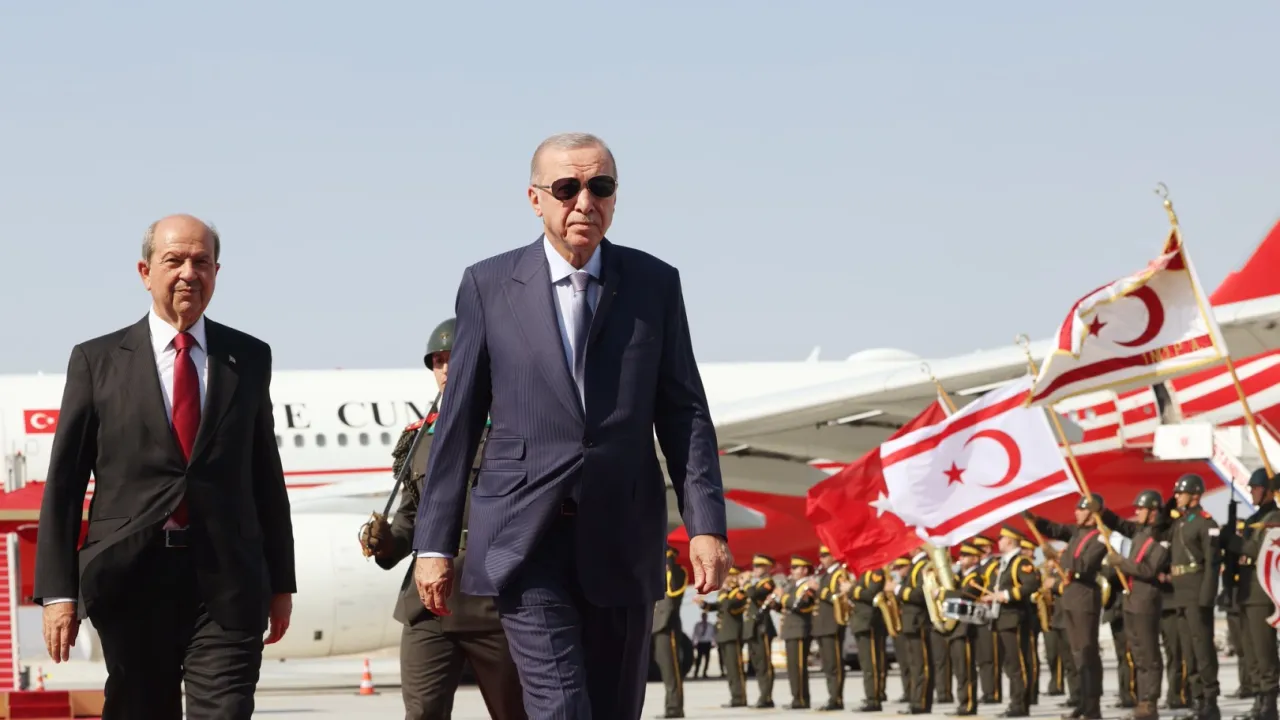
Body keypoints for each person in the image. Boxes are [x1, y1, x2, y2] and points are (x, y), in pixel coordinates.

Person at [409, 132, 732, 719]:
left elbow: (684, 412)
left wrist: (706, 524)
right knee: (558, 706)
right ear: (535, 199)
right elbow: (457, 423)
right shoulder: (488, 285)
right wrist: (433, 544)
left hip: (622, 535)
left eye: (599, 187)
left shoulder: (654, 284)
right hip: (524, 538)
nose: (584, 202)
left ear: (615, 196)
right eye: (566, 188)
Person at [33, 214, 296, 720]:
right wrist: (58, 593)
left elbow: (265, 476)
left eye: (202, 262)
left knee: (225, 711)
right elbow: (65, 486)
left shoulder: (248, 357)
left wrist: (281, 581)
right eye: (174, 260)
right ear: (145, 271)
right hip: (131, 580)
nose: (188, 273)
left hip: (228, 579)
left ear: (216, 272)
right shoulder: (96, 360)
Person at [358, 317, 526, 720]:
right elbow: (412, 517)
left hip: (495, 604)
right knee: (422, 714)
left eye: (456, 358)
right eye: (438, 361)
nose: (447, 368)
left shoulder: (515, 429)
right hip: (428, 605)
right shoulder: (420, 438)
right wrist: (386, 541)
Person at [1026, 495, 1111, 720]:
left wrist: (1056, 557)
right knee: (1077, 655)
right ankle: (1082, 702)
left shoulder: (1100, 537)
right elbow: (1055, 529)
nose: (1076, 513)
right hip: (1070, 598)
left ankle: (1092, 708)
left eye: (1081, 510)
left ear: (1092, 514)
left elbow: (1084, 566)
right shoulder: (1076, 533)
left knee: (1087, 653)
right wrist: (1035, 520)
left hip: (1084, 598)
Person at [1106, 489, 1173, 720]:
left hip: (1146, 601)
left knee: (1148, 654)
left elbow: (1148, 569)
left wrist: (1121, 562)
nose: (1136, 512)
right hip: (1132, 600)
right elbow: (1117, 523)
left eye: (1141, 508)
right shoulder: (1139, 532)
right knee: (1137, 654)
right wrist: (1101, 511)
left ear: (1153, 511)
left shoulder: (1161, 537)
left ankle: (1150, 702)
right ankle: (1142, 701)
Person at [1220, 470, 1280, 720]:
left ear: (1267, 491)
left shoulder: (1274, 518)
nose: (1252, 492)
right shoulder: (1255, 518)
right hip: (1246, 592)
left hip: (1261, 593)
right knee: (1250, 649)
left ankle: (1269, 702)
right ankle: (1258, 698)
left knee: (1264, 649)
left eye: (1255, 488)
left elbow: (1256, 550)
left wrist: (1231, 541)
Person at [1166, 474, 1221, 720]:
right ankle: (1197, 700)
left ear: (1195, 495)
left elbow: (1212, 563)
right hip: (1180, 594)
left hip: (1197, 593)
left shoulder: (1206, 523)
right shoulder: (1179, 523)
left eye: (1181, 493)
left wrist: (1207, 597)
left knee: (1202, 648)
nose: (1176, 496)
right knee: (1189, 650)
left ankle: (1210, 702)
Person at [980, 525, 1042, 718]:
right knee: (1011, 664)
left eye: (1001, 538)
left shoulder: (1020, 562)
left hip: (1015, 618)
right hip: (1003, 618)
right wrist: (991, 597)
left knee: (1018, 663)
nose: (998, 541)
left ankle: (1020, 704)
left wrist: (1006, 595)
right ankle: (1016, 702)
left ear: (1009, 540)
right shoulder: (1004, 563)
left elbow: (1031, 584)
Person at [895, 545, 935, 716]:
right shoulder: (915, 566)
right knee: (914, 664)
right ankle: (916, 700)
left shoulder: (923, 566)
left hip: (919, 621)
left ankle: (921, 702)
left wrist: (897, 589)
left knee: (921, 664)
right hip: (911, 622)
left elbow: (921, 594)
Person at [652, 545, 689, 719]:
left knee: (672, 670)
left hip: (669, 627)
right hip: (658, 627)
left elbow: (673, 590)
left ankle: (675, 708)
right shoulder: (660, 574)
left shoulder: (678, 572)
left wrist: (669, 563)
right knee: (665, 669)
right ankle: (670, 706)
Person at [813, 546, 849, 711]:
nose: (822, 559)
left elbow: (837, 596)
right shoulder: (826, 575)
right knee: (827, 665)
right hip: (823, 624)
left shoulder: (839, 574)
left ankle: (836, 698)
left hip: (832, 623)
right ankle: (832, 696)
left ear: (834, 556)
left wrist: (818, 589)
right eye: (820, 556)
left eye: (825, 555)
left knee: (834, 664)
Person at [741, 554, 779, 709]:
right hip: (753, 627)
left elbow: (753, 595)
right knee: (757, 664)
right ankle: (763, 695)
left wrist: (746, 583)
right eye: (754, 566)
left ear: (767, 568)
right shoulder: (756, 583)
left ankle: (766, 697)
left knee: (764, 664)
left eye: (758, 566)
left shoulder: (768, 583)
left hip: (762, 627)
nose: (754, 569)